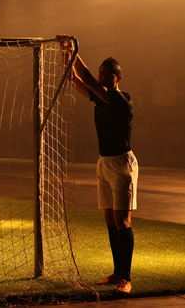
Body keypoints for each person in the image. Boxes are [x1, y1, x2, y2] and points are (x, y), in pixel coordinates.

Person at [59, 37, 139, 295]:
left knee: (122, 219)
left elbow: (87, 80)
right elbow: (73, 79)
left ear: (118, 79)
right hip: (103, 162)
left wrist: (74, 49)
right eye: (101, 73)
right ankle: (117, 272)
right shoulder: (100, 97)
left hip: (122, 163)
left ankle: (126, 278)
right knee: (109, 217)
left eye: (107, 75)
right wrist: (65, 54)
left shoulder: (119, 99)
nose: (102, 78)